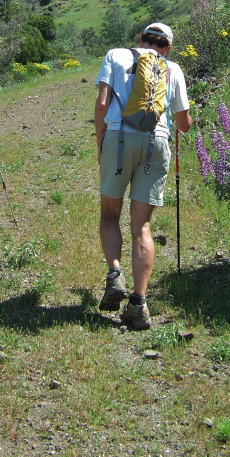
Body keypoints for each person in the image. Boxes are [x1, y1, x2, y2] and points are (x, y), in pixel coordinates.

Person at [95, 23, 192, 329]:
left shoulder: (115, 55)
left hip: (118, 138)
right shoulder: (173, 68)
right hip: (157, 143)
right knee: (143, 226)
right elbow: (184, 124)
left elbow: (101, 104)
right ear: (167, 47)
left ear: (139, 40)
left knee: (110, 213)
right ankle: (139, 303)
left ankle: (114, 273)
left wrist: (101, 143)